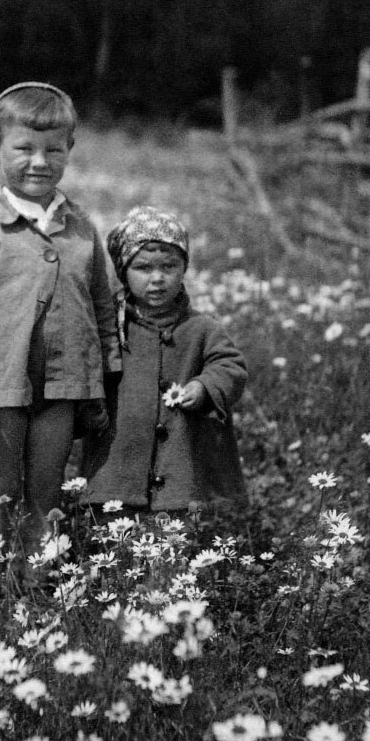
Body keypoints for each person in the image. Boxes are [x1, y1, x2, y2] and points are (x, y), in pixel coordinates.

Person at [0, 82, 121, 563]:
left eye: (53, 149)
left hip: (64, 390)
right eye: (23, 148)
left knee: (47, 492)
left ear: (70, 150)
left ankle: (39, 586)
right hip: (1, 387)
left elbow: (103, 306)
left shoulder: (82, 227)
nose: (39, 162)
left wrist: (107, 378)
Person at [82, 205, 248, 513]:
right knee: (115, 543)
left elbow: (231, 366)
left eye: (169, 267)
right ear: (123, 272)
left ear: (183, 269)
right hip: (117, 466)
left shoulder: (202, 328)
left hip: (183, 470)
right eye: (143, 268)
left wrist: (205, 386)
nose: (157, 279)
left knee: (177, 540)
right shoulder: (109, 328)